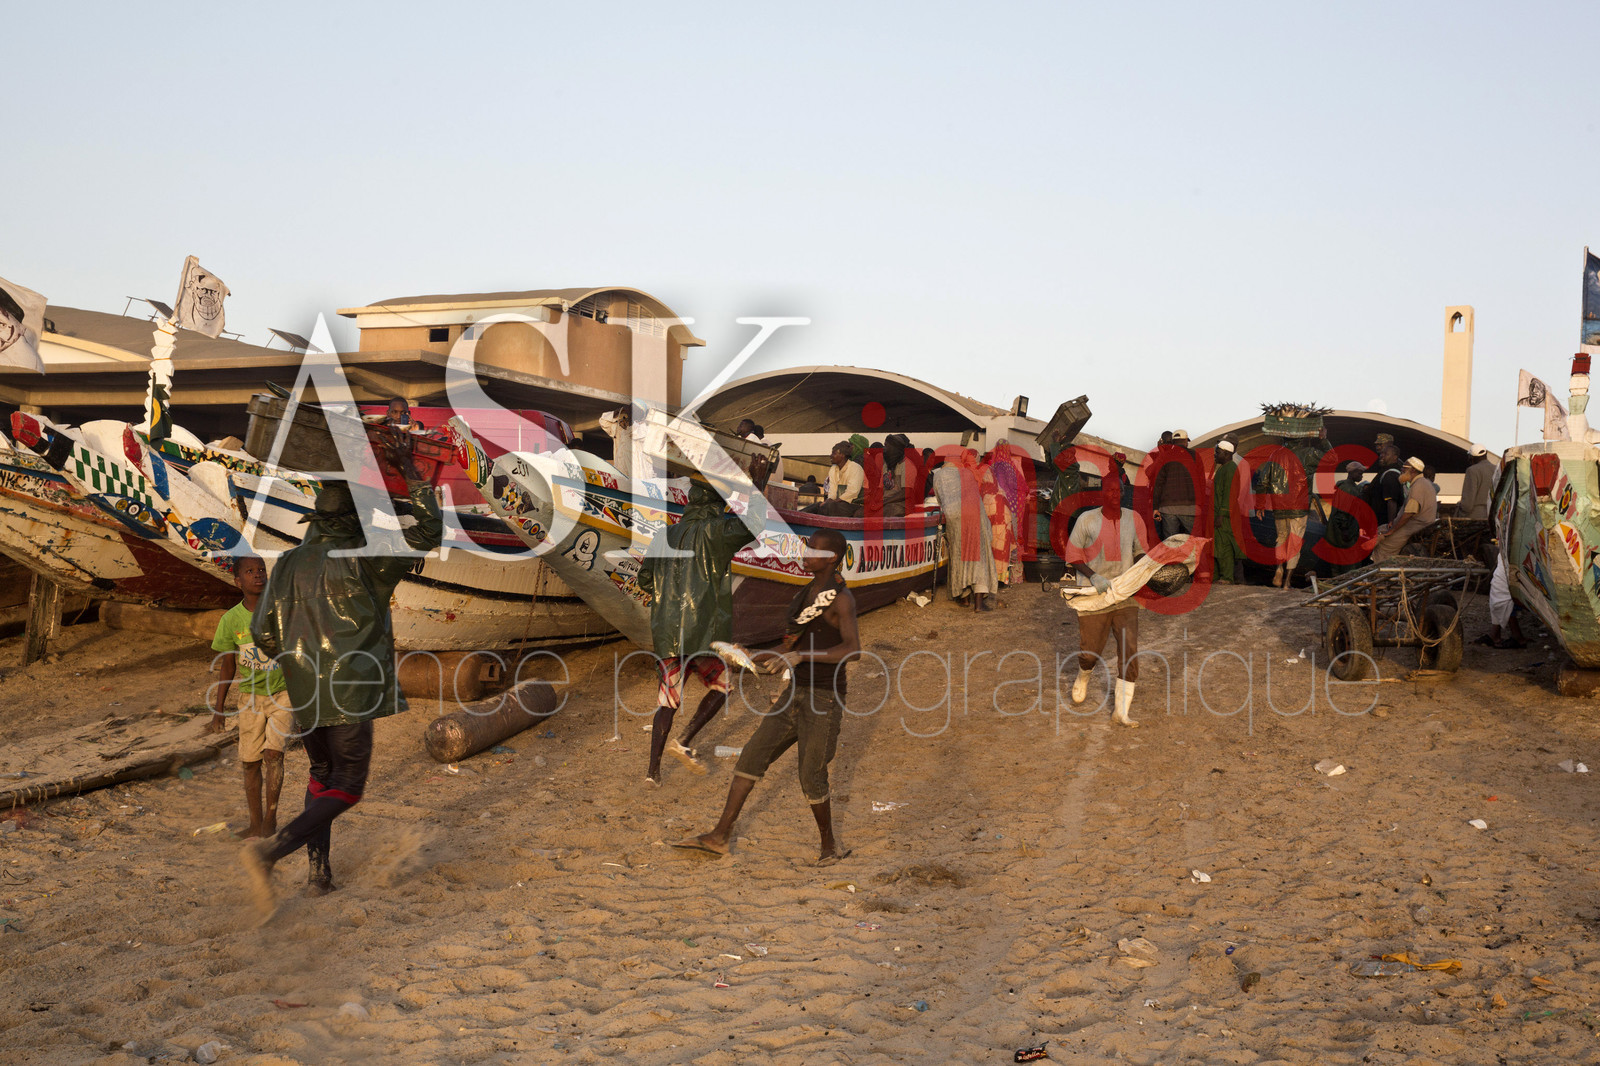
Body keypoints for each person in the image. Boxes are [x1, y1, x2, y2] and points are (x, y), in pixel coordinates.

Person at [240, 444, 443, 912]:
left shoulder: (287, 563)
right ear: (356, 520)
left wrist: (298, 660)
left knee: (321, 777)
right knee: (347, 786)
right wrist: (410, 470)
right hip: (350, 690)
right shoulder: (367, 555)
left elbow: (262, 633)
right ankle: (269, 852)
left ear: (316, 520)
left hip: (305, 694)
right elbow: (430, 529)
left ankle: (320, 877)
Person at [674, 528, 859, 863]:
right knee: (751, 757)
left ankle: (829, 847)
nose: (805, 553)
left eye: (813, 550)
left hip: (824, 698)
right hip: (794, 693)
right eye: (807, 547)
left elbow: (852, 649)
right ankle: (719, 836)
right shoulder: (806, 595)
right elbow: (788, 647)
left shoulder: (841, 598)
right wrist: (750, 655)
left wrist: (802, 656)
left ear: (831, 558)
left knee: (811, 775)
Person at [637, 472, 768, 782]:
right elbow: (754, 524)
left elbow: (645, 580)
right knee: (722, 687)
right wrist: (757, 487)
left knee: (667, 702)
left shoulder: (664, 535)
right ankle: (683, 740)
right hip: (706, 634)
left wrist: (667, 600)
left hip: (668, 634)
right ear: (718, 503)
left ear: (691, 499)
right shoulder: (718, 530)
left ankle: (653, 772)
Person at [206, 555, 292, 839]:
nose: (258, 574)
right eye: (250, 571)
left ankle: (270, 819)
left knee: (273, 755)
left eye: (261, 569)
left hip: (284, 694)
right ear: (237, 581)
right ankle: (255, 824)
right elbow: (228, 665)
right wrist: (218, 708)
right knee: (250, 762)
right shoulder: (231, 620)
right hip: (250, 698)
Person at [1064, 471, 1147, 727]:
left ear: (1124, 493)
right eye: (1110, 490)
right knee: (1090, 652)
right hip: (1094, 593)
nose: (1115, 495)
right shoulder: (1087, 520)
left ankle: (1121, 711)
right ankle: (1084, 674)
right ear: (1101, 493)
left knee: (1129, 649)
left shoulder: (1134, 519)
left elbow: (1140, 552)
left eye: (1119, 490)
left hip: (1124, 593)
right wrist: (1094, 577)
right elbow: (1073, 555)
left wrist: (1144, 572)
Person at [1254, 434, 1328, 589]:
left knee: (1281, 538)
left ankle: (1279, 568)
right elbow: (1332, 458)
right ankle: (1287, 582)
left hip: (1279, 506)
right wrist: (1323, 439)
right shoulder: (1309, 454)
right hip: (1299, 508)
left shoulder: (1275, 455)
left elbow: (1262, 482)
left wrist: (1260, 505)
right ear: (1301, 439)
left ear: (1283, 439)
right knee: (1294, 543)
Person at [932, 450, 999, 609]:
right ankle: (979, 603)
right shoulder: (968, 473)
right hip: (975, 514)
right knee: (979, 556)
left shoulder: (938, 475)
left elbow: (940, 500)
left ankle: (964, 598)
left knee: (959, 554)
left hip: (954, 516)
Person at [1371, 456, 1437, 561]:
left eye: (1404, 468)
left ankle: (1383, 569)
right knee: (1379, 530)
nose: (1401, 470)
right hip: (1416, 525)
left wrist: (1392, 531)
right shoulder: (1423, 483)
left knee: (1384, 544)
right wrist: (1393, 523)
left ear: (1413, 470)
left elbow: (1409, 514)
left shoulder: (1419, 486)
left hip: (1415, 527)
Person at [1323, 462, 1371, 574]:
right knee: (1348, 564)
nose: (1361, 476)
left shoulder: (1349, 487)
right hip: (1343, 534)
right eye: (1359, 473)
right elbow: (1342, 512)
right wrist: (1345, 530)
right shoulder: (1347, 489)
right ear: (1352, 473)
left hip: (1344, 532)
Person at [1151, 429, 1198, 539]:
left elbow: (1158, 484)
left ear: (1173, 442)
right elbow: (1200, 482)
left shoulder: (1164, 457)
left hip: (1168, 508)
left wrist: (1156, 507)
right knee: (1194, 541)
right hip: (1189, 507)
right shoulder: (1194, 456)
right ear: (1185, 441)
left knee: (1170, 542)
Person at [1210, 439, 1245, 583]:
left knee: (1225, 546)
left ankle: (1227, 577)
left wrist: (1222, 514)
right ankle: (1217, 576)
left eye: (1217, 453)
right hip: (1218, 513)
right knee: (1217, 545)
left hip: (1225, 515)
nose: (1215, 455)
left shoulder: (1230, 469)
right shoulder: (1223, 468)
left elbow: (1229, 494)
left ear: (1225, 454)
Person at [804, 441, 864, 517]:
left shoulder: (855, 468)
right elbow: (832, 492)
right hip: (840, 504)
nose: (830, 456)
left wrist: (832, 502)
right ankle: (797, 516)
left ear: (842, 455)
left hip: (854, 505)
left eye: (834, 453)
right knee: (818, 505)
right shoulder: (833, 469)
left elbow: (852, 492)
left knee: (829, 506)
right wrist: (828, 501)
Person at [1366, 442, 1406, 527]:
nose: (1382, 456)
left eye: (1386, 454)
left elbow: (1392, 502)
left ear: (1395, 457)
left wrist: (1390, 524)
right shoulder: (1385, 471)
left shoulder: (1390, 474)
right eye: (1381, 454)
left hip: (1382, 524)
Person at [880, 434, 914, 518]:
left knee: (888, 511)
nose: (884, 449)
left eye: (886, 445)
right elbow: (881, 489)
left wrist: (884, 502)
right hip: (886, 503)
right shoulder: (886, 466)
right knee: (860, 513)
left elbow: (906, 493)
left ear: (894, 448)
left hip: (901, 505)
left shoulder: (907, 465)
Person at [1460, 445, 1493, 521]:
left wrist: (1461, 511)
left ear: (1472, 458)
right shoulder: (1496, 469)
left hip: (1475, 516)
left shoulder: (1472, 470)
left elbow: (1468, 503)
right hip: (1492, 516)